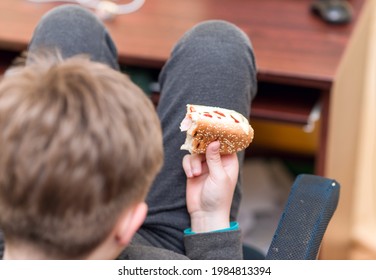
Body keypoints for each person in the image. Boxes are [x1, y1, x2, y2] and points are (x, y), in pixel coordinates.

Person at [0, 4, 257, 259]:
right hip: (160, 243)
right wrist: (209, 219)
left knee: (69, 23)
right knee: (220, 47)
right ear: (130, 222)